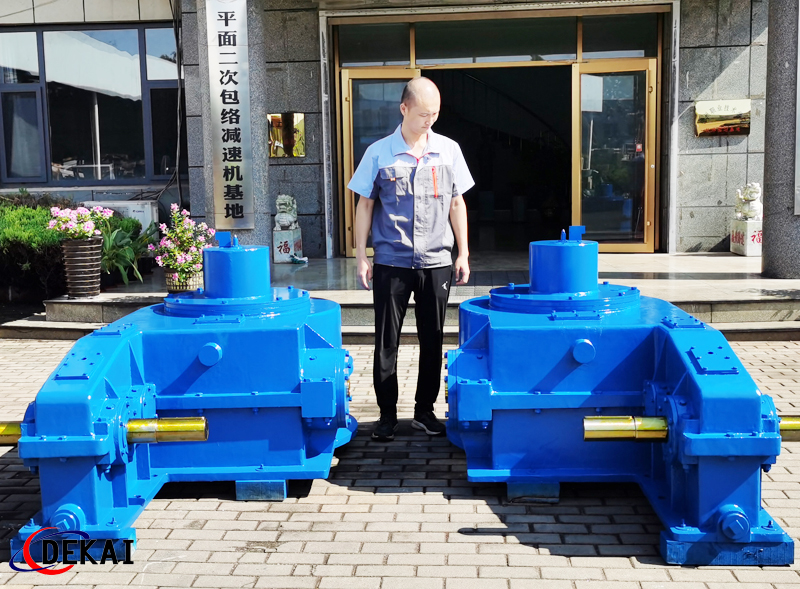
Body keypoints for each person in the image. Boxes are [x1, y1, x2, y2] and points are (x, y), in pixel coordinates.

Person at [347, 77, 474, 442]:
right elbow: (365, 205)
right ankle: (387, 415)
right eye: (422, 114)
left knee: (433, 339)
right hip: (391, 262)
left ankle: (424, 411)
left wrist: (463, 252)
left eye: (434, 114)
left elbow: (456, 203)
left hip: (436, 261)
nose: (428, 121)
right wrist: (361, 256)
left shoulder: (448, 150)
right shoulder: (379, 153)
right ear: (403, 109)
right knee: (386, 341)